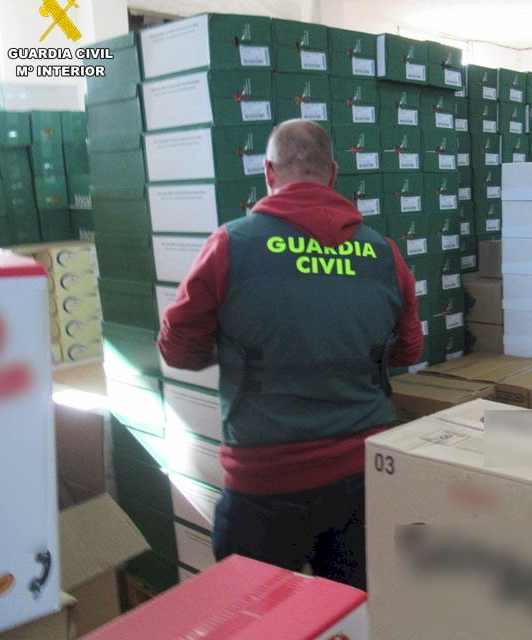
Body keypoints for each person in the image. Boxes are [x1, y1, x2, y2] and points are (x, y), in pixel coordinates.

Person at [158, 119, 423, 590]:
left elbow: (177, 349)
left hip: (264, 489)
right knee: (352, 615)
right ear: (334, 174)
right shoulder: (384, 253)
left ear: (268, 172)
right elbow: (409, 349)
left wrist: (232, 349)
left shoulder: (230, 246)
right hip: (363, 479)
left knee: (261, 618)